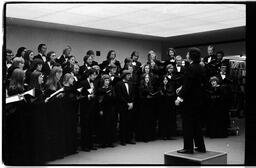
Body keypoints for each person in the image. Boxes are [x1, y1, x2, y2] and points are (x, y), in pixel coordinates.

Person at [175, 47, 207, 154]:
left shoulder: (190, 67)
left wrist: (179, 98)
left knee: (187, 124)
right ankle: (201, 147)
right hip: (199, 101)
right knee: (197, 124)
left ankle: (188, 148)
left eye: (188, 54)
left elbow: (188, 85)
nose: (186, 56)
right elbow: (195, 84)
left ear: (191, 56)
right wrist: (182, 87)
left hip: (189, 102)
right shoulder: (201, 67)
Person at [79, 68, 98, 151]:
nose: (95, 76)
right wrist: (87, 97)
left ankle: (90, 144)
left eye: (95, 74)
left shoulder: (93, 83)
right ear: (89, 75)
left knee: (91, 127)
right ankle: (84, 146)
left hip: (92, 107)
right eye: (94, 74)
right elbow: (78, 96)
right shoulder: (82, 83)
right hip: (85, 108)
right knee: (85, 127)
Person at [115, 69, 136, 145]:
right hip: (123, 106)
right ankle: (123, 140)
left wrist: (132, 103)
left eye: (129, 75)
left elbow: (133, 94)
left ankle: (129, 139)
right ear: (124, 75)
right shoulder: (119, 84)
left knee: (130, 122)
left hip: (130, 105)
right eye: (128, 75)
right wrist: (127, 103)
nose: (129, 76)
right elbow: (119, 96)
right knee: (123, 123)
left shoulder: (131, 83)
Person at [96, 74, 116, 148]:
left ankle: (110, 142)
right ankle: (103, 142)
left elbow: (114, 98)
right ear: (103, 81)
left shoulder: (111, 88)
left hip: (111, 108)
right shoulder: (100, 89)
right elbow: (99, 101)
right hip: (104, 109)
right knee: (104, 126)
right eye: (106, 80)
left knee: (111, 125)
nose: (107, 82)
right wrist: (100, 109)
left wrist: (111, 95)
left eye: (108, 80)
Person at [158, 64, 177, 140]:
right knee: (164, 117)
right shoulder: (163, 76)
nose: (170, 69)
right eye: (169, 68)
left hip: (172, 98)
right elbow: (161, 86)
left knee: (171, 117)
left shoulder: (174, 77)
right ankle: (164, 134)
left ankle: (170, 134)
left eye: (172, 68)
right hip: (164, 99)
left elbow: (175, 86)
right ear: (167, 69)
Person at [138, 73, 155, 142]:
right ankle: (144, 137)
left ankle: (150, 136)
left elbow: (153, 94)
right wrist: (146, 97)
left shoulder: (151, 86)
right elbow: (140, 96)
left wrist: (151, 96)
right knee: (144, 121)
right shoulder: (141, 87)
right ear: (143, 79)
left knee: (149, 121)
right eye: (146, 78)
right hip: (143, 106)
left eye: (148, 77)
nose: (147, 79)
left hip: (149, 105)